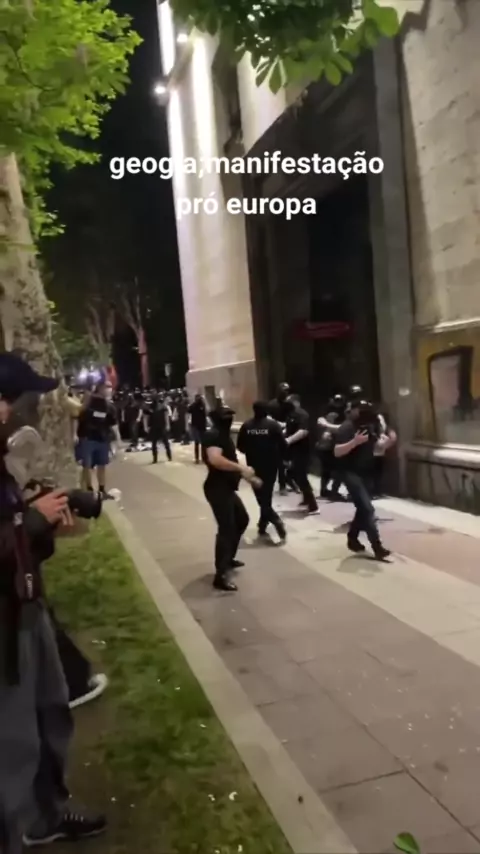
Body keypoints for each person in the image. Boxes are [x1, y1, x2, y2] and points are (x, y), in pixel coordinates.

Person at [0, 352, 106, 853]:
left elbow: (15, 538)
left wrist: (41, 524)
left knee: (50, 712)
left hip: (28, 605)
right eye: (11, 398)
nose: (16, 411)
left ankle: (49, 813)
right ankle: (14, 829)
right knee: (15, 737)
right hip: (5, 624)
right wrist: (32, 521)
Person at [202, 404, 258, 592]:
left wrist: (248, 477)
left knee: (242, 520)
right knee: (226, 529)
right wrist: (242, 468)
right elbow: (216, 459)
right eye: (225, 416)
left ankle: (228, 559)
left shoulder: (224, 435)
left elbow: (230, 460)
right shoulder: (213, 435)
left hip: (226, 488)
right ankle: (221, 575)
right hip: (217, 489)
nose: (229, 419)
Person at [333, 399, 396, 559]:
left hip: (367, 472)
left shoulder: (371, 425)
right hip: (350, 473)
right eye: (360, 410)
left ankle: (352, 538)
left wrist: (386, 443)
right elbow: (337, 452)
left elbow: (378, 447)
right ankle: (377, 546)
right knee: (368, 510)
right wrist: (354, 442)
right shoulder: (347, 427)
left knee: (363, 509)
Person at [237, 401, 287, 541]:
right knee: (266, 497)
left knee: (261, 498)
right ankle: (264, 524)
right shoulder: (274, 425)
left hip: (254, 467)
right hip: (271, 466)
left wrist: (252, 449)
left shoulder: (247, 426)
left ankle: (274, 521)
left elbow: (240, 447)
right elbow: (283, 444)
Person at [80, 382, 118, 498]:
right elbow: (80, 416)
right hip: (88, 437)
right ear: (100, 388)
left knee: (102, 465)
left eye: (110, 387)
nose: (109, 390)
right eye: (107, 387)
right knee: (87, 466)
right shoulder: (89, 403)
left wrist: (117, 439)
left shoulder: (109, 407)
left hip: (102, 439)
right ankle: (89, 490)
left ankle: (102, 490)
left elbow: (113, 424)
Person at [285, 395, 319, 514]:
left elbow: (303, 431)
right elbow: (289, 429)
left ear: (296, 402)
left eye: (289, 402)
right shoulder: (291, 414)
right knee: (293, 474)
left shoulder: (302, 414)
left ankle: (313, 506)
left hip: (302, 450)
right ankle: (306, 498)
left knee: (300, 476)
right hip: (294, 450)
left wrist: (288, 440)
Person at [316, 394, 345, 500]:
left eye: (340, 401)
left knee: (339, 469)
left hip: (337, 443)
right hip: (327, 445)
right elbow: (320, 423)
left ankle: (333, 491)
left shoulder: (344, 412)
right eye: (336, 400)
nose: (338, 403)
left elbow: (342, 428)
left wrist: (328, 427)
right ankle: (326, 490)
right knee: (328, 469)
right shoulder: (326, 410)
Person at [268, 382, 294, 494]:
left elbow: (293, 417)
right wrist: (278, 425)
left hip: (287, 433)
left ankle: (287, 481)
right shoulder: (272, 404)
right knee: (277, 461)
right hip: (274, 434)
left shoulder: (289, 405)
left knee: (288, 460)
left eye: (287, 391)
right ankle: (279, 485)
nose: (285, 393)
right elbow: (268, 418)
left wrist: (287, 426)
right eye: (284, 391)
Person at [149, 394, 172, 463]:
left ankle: (168, 456)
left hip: (160, 426)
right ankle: (156, 458)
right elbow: (147, 416)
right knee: (156, 443)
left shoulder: (163, 407)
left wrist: (167, 425)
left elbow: (166, 416)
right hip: (156, 426)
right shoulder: (153, 406)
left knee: (164, 442)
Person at [188, 393, 207, 463]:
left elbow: (189, 410)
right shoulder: (201, 405)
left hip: (198, 426)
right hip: (199, 426)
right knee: (201, 443)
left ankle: (198, 458)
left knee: (198, 443)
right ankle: (201, 458)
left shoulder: (197, 405)